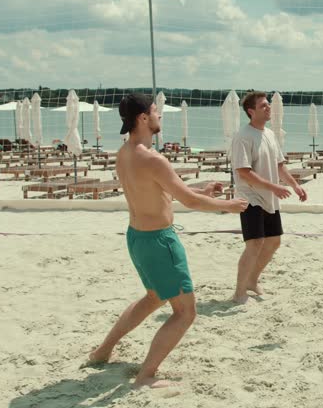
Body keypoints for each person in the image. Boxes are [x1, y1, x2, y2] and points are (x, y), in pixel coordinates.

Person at [87, 93, 248, 388]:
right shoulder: (153, 158)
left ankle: (102, 351)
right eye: (154, 110)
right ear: (143, 118)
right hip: (160, 243)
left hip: (137, 238)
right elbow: (187, 200)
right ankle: (145, 376)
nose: (160, 113)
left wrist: (201, 188)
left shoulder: (125, 152)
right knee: (185, 312)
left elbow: (161, 190)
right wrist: (228, 206)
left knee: (153, 297)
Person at [231, 91, 308, 304]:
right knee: (255, 243)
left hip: (268, 197)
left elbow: (280, 165)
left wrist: (295, 186)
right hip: (250, 197)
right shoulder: (243, 136)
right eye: (263, 106)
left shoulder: (270, 134)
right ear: (251, 111)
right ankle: (239, 292)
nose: (268, 108)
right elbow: (244, 172)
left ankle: (252, 281)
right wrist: (274, 187)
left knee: (274, 241)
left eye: (268, 105)